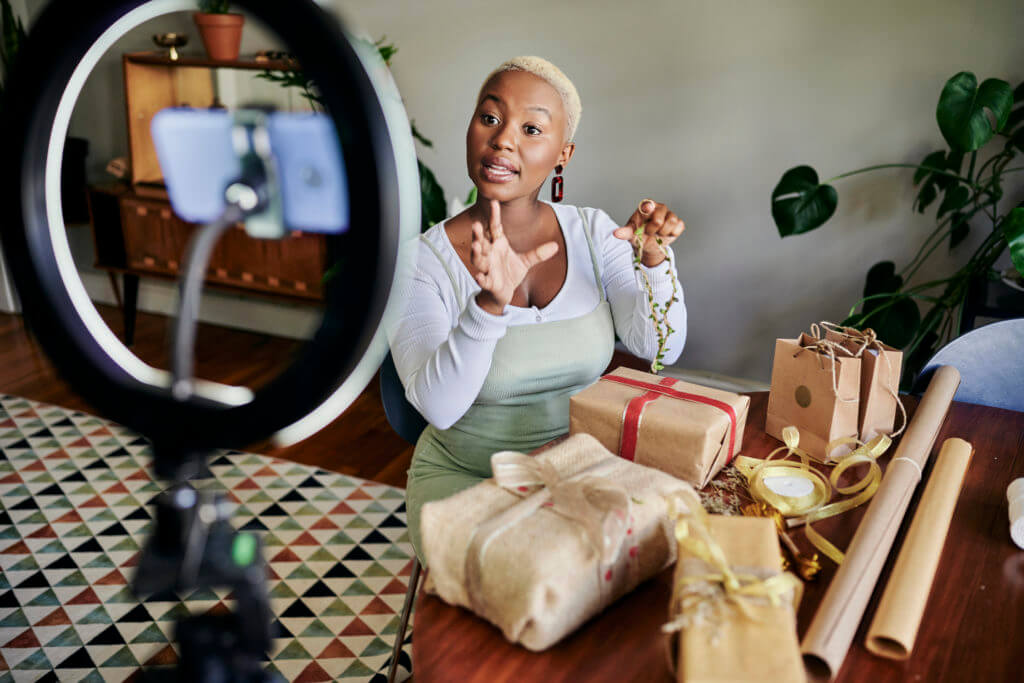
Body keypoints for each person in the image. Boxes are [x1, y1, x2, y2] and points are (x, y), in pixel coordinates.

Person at [387, 56, 687, 560]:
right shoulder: (420, 263)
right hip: (468, 482)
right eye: (490, 118)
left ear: (562, 154)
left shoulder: (594, 234)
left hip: (579, 472)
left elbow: (661, 348)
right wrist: (489, 305)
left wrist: (653, 262)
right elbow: (439, 407)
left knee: (673, 541)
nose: (503, 139)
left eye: (531, 129)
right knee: (556, 570)